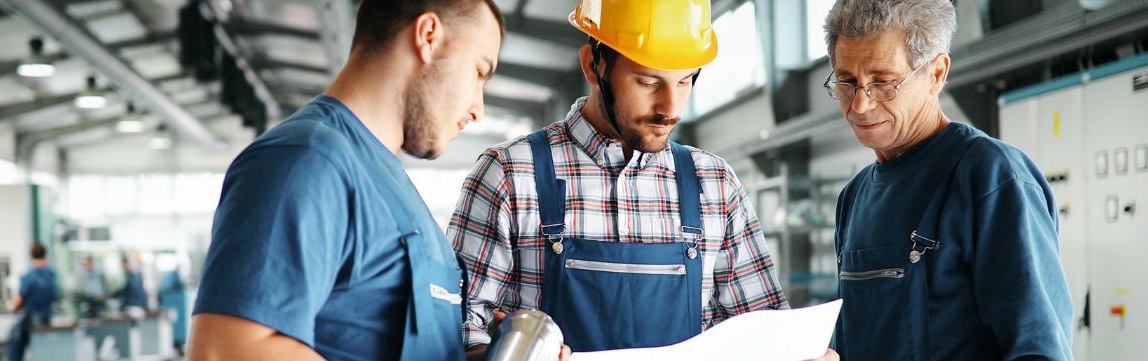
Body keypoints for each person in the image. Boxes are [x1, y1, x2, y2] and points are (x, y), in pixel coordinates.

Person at [450, 1, 833, 359]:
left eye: (685, 82)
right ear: (592, 65)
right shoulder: (508, 175)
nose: (670, 107)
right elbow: (456, 329)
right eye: (649, 82)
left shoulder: (715, 184)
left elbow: (760, 329)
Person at [185, 0, 509, 360]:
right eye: (479, 72)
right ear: (428, 36)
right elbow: (227, 349)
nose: (478, 109)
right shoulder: (304, 161)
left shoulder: (386, 180)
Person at [821, 1, 1073, 359]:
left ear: (936, 73)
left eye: (883, 82)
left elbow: (1038, 350)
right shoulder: (854, 197)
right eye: (847, 82)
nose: (860, 105)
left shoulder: (992, 178)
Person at [7, 244, 60, 361]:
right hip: (46, 321)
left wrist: (12, 308)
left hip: (29, 322)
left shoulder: (29, 277)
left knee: (14, 340)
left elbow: (18, 300)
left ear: (31, 256)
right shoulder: (52, 275)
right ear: (46, 255)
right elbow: (56, 297)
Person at [157, 265, 189, 355]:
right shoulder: (173, 276)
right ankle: (177, 344)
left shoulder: (170, 277)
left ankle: (177, 344)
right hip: (174, 300)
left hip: (171, 300)